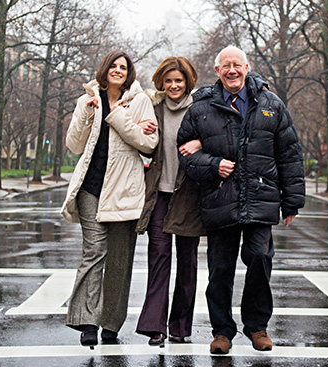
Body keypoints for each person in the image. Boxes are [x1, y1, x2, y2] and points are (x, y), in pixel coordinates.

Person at [177, 46, 305, 354]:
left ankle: (257, 326)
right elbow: (184, 154)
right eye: (225, 66)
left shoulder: (271, 104)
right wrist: (212, 164)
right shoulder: (200, 108)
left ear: (246, 67)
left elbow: (289, 154)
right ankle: (222, 331)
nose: (232, 70)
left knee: (260, 259)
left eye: (237, 65)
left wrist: (292, 202)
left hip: (261, 199)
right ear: (217, 71)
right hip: (220, 200)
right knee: (220, 269)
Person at [60, 50, 159, 349]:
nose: (118, 70)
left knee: (119, 260)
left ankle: (111, 324)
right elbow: (74, 145)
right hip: (91, 188)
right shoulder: (88, 98)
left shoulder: (140, 101)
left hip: (125, 191)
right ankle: (88, 322)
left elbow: (149, 144)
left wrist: (118, 117)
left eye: (123, 67)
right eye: (113, 66)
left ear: (129, 72)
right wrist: (87, 113)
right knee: (94, 253)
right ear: (104, 69)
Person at [134, 57, 204, 347]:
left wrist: (201, 143)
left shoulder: (201, 110)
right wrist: (142, 130)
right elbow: (138, 144)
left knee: (187, 262)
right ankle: (155, 327)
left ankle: (180, 327)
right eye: (168, 81)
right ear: (160, 82)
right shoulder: (153, 108)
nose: (174, 85)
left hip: (189, 195)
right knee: (159, 257)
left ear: (188, 82)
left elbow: (219, 139)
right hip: (159, 195)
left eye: (179, 80)